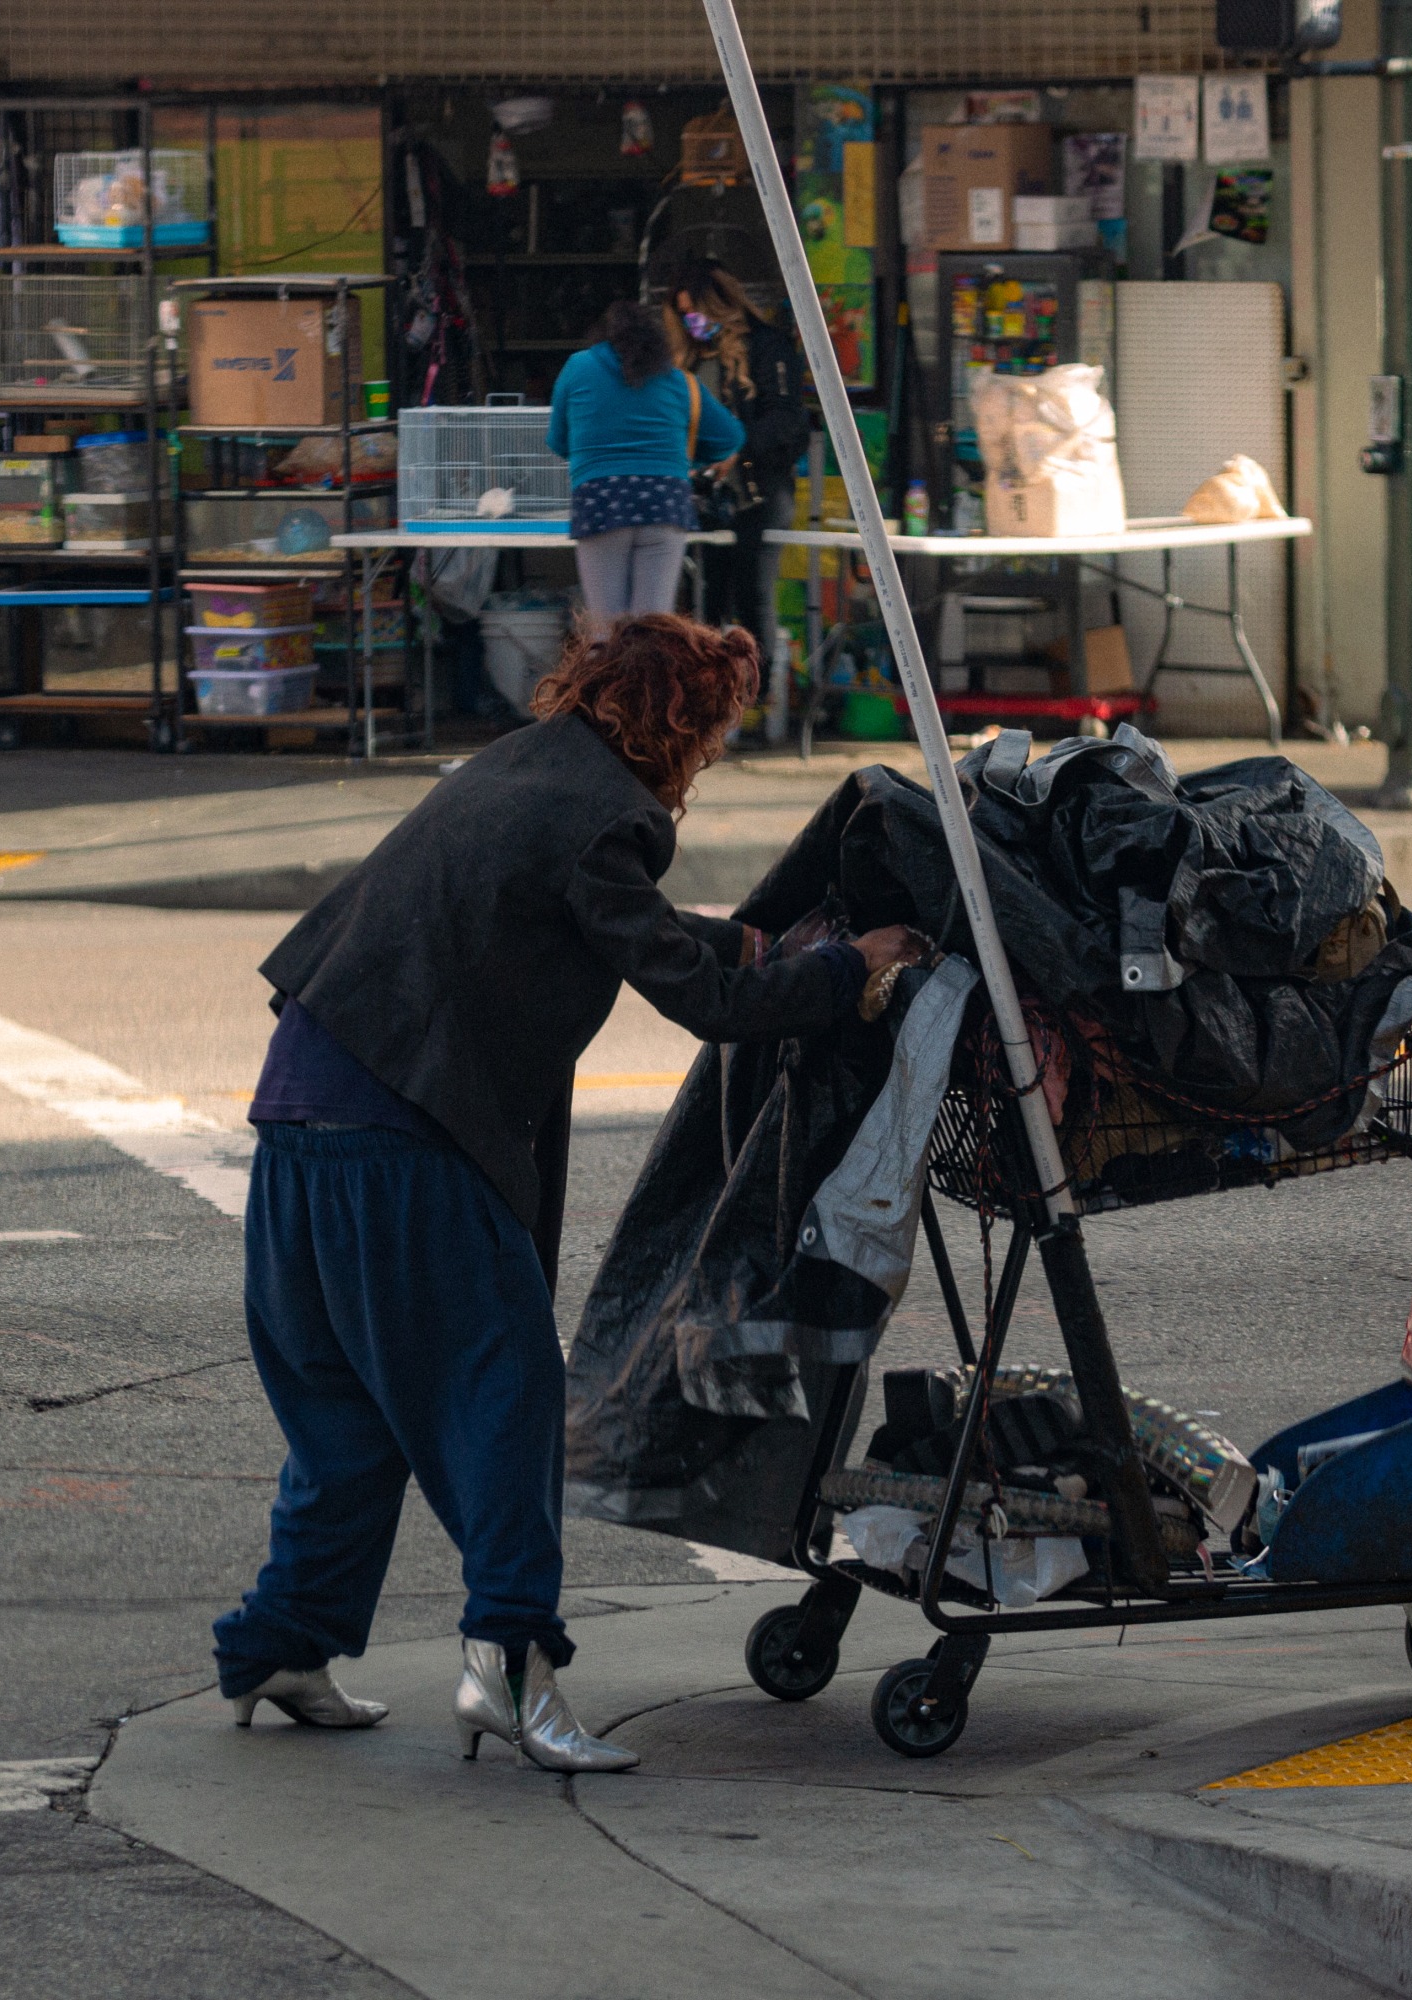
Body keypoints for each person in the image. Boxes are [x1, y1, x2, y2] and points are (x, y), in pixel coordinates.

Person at [212, 614, 922, 1774]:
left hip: (300, 1112)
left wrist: (753, 945)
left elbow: (634, 934)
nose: (710, 758)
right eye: (713, 733)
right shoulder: (607, 818)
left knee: (348, 1416)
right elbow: (707, 1007)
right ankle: (510, 1665)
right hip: (405, 1136)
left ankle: (277, 1644)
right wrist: (846, 967)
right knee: (507, 1397)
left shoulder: (518, 767)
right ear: (677, 728)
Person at [547, 299, 743, 623]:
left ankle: (609, 657)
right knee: (652, 628)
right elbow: (730, 437)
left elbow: (558, 441)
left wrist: (594, 455)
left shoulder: (577, 367)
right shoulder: (678, 380)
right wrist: (688, 460)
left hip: (600, 501)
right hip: (664, 502)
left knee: (607, 629)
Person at [666, 260, 810, 665]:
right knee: (704, 601)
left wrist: (737, 451)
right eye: (684, 316)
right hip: (706, 496)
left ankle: (756, 689)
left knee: (753, 595)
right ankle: (710, 687)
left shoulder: (766, 347)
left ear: (718, 305)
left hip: (759, 491)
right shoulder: (691, 359)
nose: (692, 324)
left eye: (695, 313)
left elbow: (788, 422)